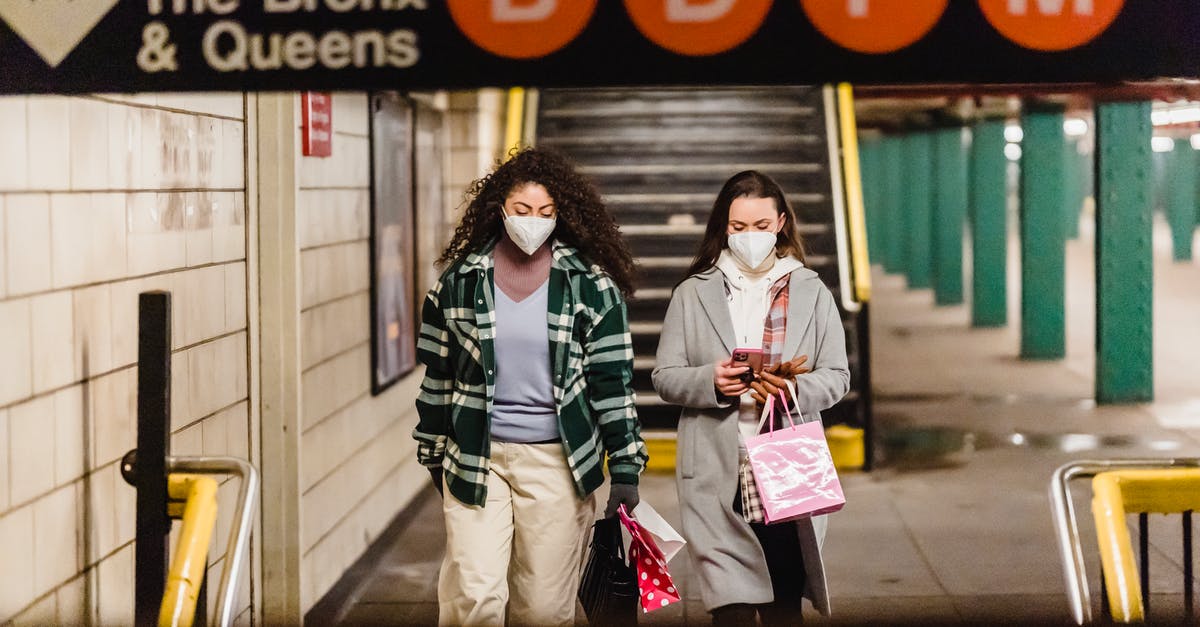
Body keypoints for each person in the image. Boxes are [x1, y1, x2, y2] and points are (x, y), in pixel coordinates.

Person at [413, 147, 648, 627]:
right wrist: (432, 451)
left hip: (558, 462)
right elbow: (438, 375)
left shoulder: (590, 286)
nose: (532, 221)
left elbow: (612, 383)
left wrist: (625, 466)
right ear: (499, 209)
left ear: (561, 216)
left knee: (542, 609)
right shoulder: (458, 283)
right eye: (522, 211)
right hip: (477, 457)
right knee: (474, 597)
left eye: (545, 212)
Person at [651, 170, 850, 625]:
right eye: (739, 227)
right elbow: (665, 376)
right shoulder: (692, 293)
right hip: (715, 465)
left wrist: (793, 387)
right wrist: (711, 381)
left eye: (761, 226)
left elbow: (837, 376)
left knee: (783, 605)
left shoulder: (810, 291)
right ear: (724, 227)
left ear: (781, 223)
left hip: (785, 462)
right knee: (730, 608)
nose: (750, 236)